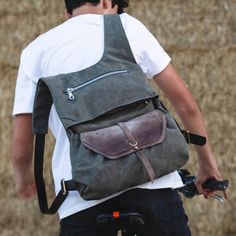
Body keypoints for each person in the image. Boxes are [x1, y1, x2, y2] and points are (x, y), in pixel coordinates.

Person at [11, 0, 227, 235]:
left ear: (67, 12)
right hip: (153, 188)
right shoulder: (127, 26)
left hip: (83, 201)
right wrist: (207, 166)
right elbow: (187, 107)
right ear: (106, 2)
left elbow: (21, 150)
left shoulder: (35, 51)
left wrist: (24, 181)